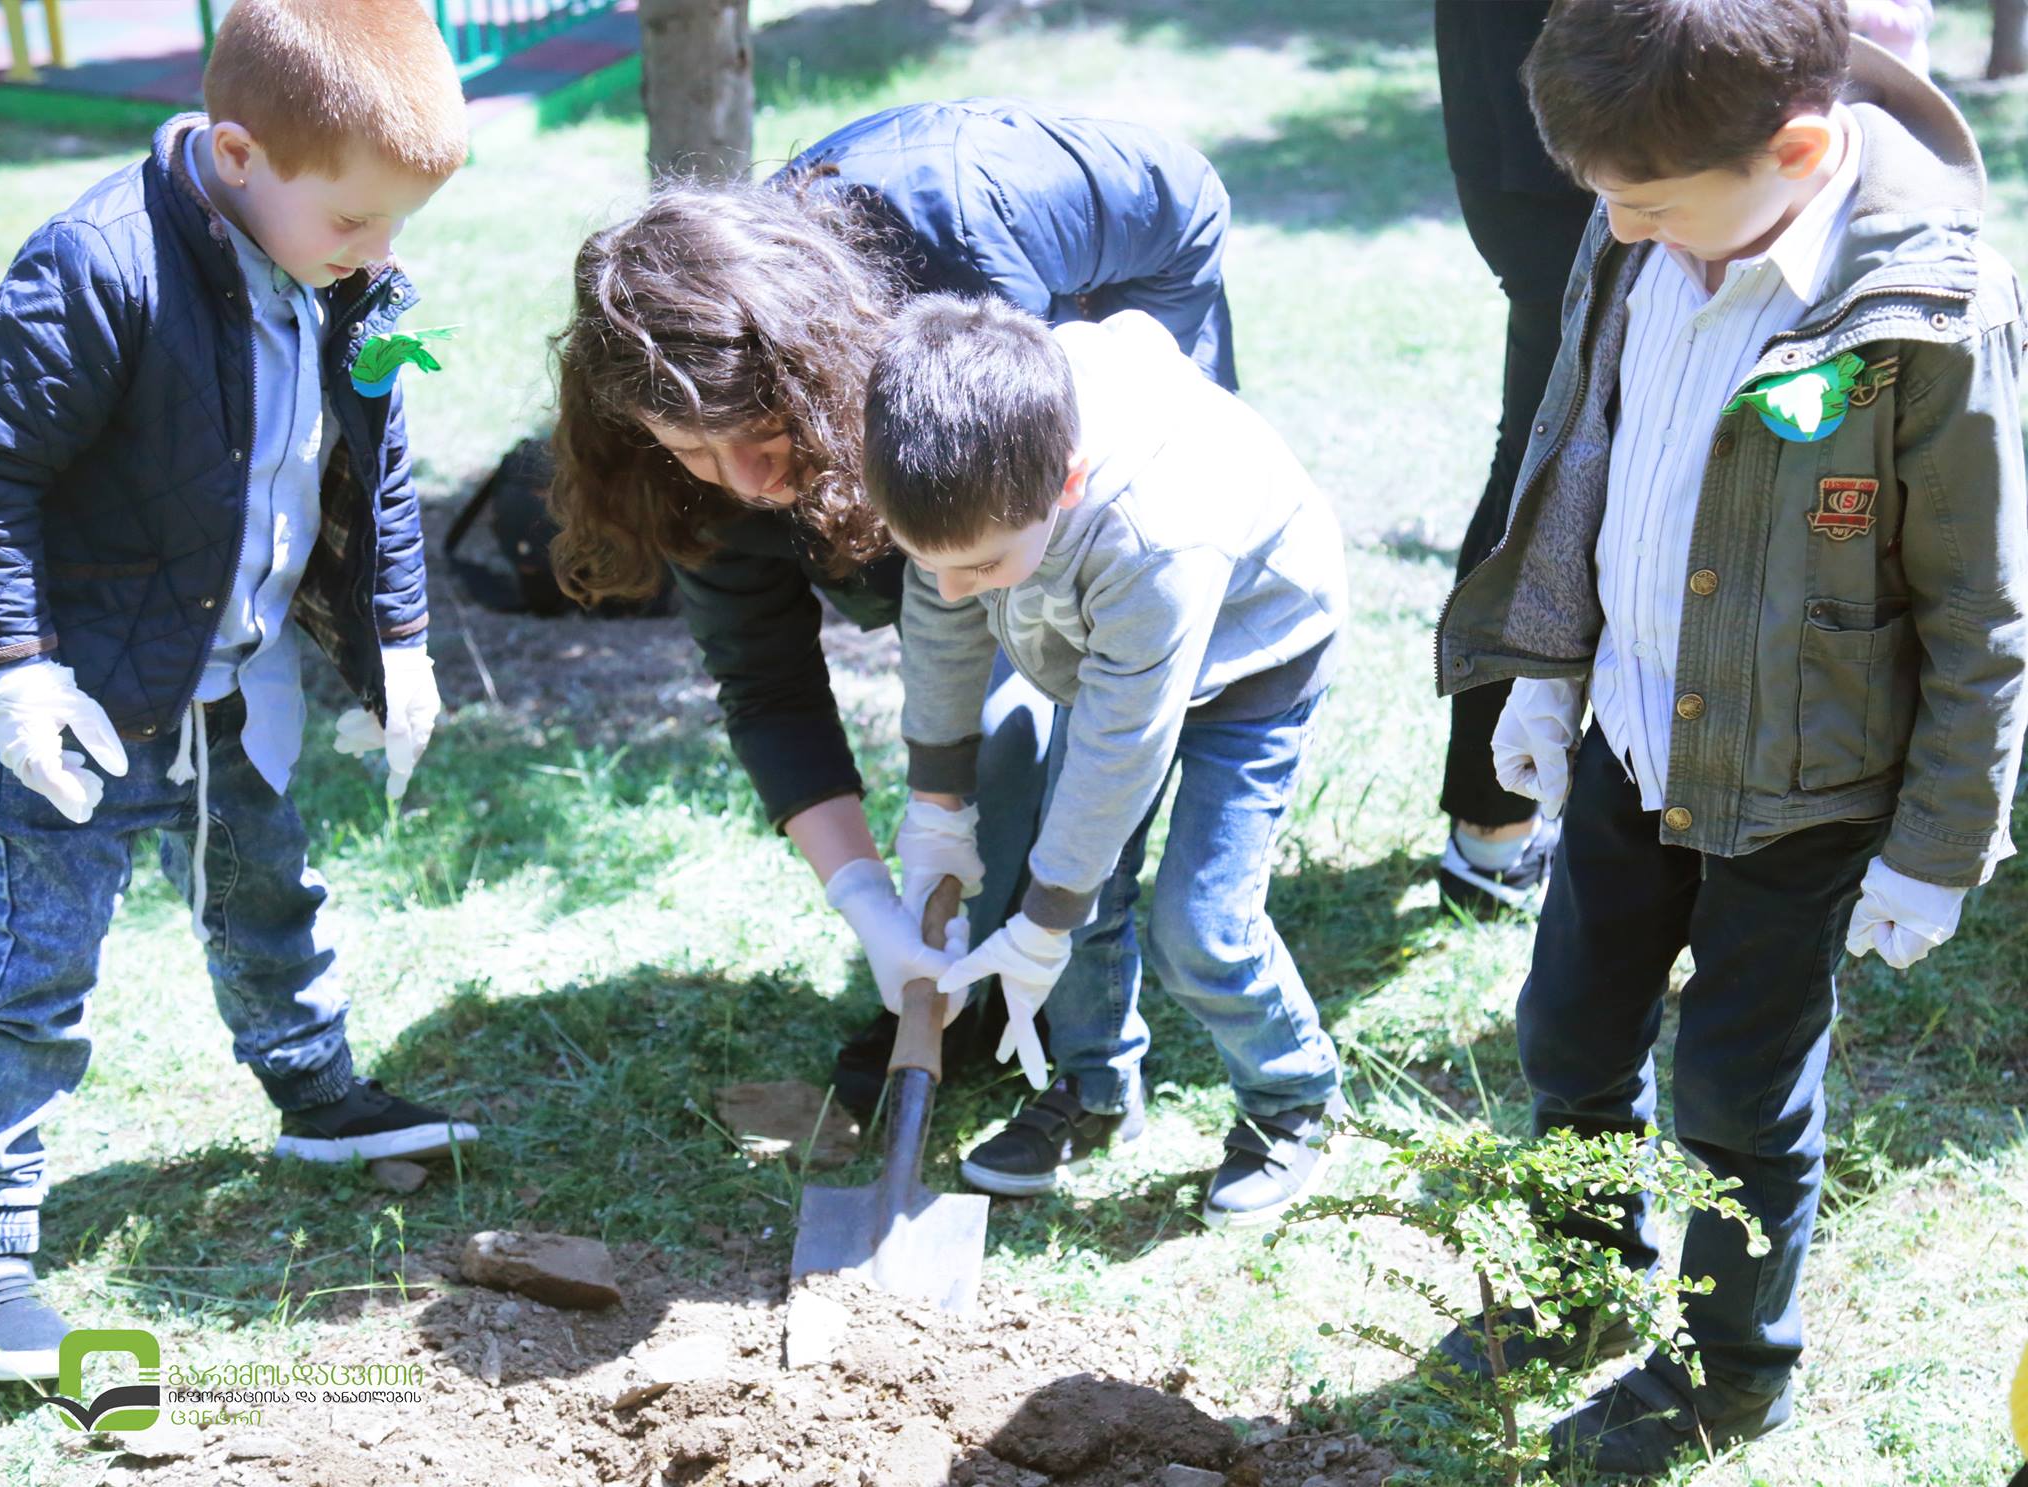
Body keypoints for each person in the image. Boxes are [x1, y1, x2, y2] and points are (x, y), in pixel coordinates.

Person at [1435, 2, 2026, 1475]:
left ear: (1799, 152)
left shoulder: (1926, 312)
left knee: (1736, 1097)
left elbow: (1981, 607)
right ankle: (1577, 1283)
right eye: (1605, 199)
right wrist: (1544, 674)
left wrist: (1937, 847)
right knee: (1567, 1028)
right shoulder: (1639, 217)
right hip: (1634, 732)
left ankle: (1724, 1370)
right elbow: (1581, 448)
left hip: (1805, 786)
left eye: (1645, 204)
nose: (1617, 226)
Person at [548, 100, 1240, 1116]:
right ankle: (954, 972)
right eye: (694, 449)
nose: (743, 481)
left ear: (810, 374)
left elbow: (981, 608)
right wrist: (869, 899)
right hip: (881, 358)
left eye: (760, 436)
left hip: (1138, 256)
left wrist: (985, 834)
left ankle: (1061, 969)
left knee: (1055, 636)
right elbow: (765, 684)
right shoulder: (689, 447)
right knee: (961, 629)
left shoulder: (949, 265)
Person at [0, 0, 478, 1381]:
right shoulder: (96, 267)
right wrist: (15, 672)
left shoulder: (348, 272)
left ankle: (316, 1094)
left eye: (398, 224)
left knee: (264, 890)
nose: (380, 252)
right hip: (82, 694)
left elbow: (374, 464)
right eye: (357, 221)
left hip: (231, 679)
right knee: (25, 971)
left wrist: (397, 642)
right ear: (242, 153)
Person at [864, 296, 1347, 1230]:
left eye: (981, 567)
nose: (955, 587)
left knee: (1200, 923)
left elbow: (1122, 743)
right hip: (1109, 653)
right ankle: (1096, 1087)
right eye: (931, 561)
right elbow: (945, 623)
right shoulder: (975, 474)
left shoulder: (1154, 534)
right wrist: (938, 802)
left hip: (1256, 657)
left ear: (1069, 481)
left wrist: (1045, 913)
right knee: (1078, 896)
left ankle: (1292, 1097)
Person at [1431, 0, 1593, 915]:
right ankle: (1493, 823)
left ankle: (1503, 813)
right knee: (1540, 477)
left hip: (1559, 129)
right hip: (1564, 143)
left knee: (1538, 471)